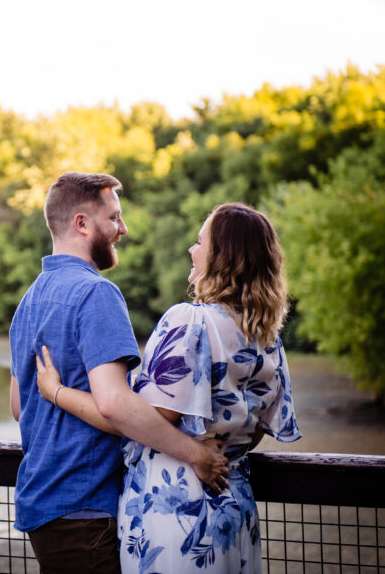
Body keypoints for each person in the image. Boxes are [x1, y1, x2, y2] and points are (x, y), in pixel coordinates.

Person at [35, 202, 302, 573]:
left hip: (177, 512)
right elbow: (258, 431)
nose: (192, 250)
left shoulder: (190, 321)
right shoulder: (268, 339)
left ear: (224, 257)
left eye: (200, 242)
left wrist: (57, 393)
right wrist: (212, 443)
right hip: (236, 510)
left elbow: (139, 417)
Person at [10, 172, 229, 573]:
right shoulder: (96, 293)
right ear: (81, 223)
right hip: (85, 508)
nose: (123, 229)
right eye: (114, 218)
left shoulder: (30, 299)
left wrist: (57, 395)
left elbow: (17, 407)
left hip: (42, 507)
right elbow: (114, 404)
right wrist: (195, 453)